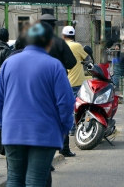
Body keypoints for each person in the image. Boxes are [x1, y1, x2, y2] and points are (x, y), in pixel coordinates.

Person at [0, 22, 74, 186]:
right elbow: (65, 103)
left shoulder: (9, 63)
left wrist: (4, 124)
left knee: (14, 179)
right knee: (36, 180)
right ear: (49, 42)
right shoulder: (55, 66)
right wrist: (64, 129)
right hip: (44, 133)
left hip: (12, 131)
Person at [39, 14, 76, 158]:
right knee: (61, 113)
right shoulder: (59, 43)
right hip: (57, 83)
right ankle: (64, 147)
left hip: (38, 85)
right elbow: (72, 63)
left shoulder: (32, 42)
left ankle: (45, 154)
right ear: (54, 27)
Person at [61, 26, 88, 136]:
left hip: (62, 81)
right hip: (76, 81)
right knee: (76, 105)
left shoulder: (60, 46)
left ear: (63, 36)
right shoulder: (77, 46)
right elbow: (86, 59)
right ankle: (72, 128)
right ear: (74, 35)